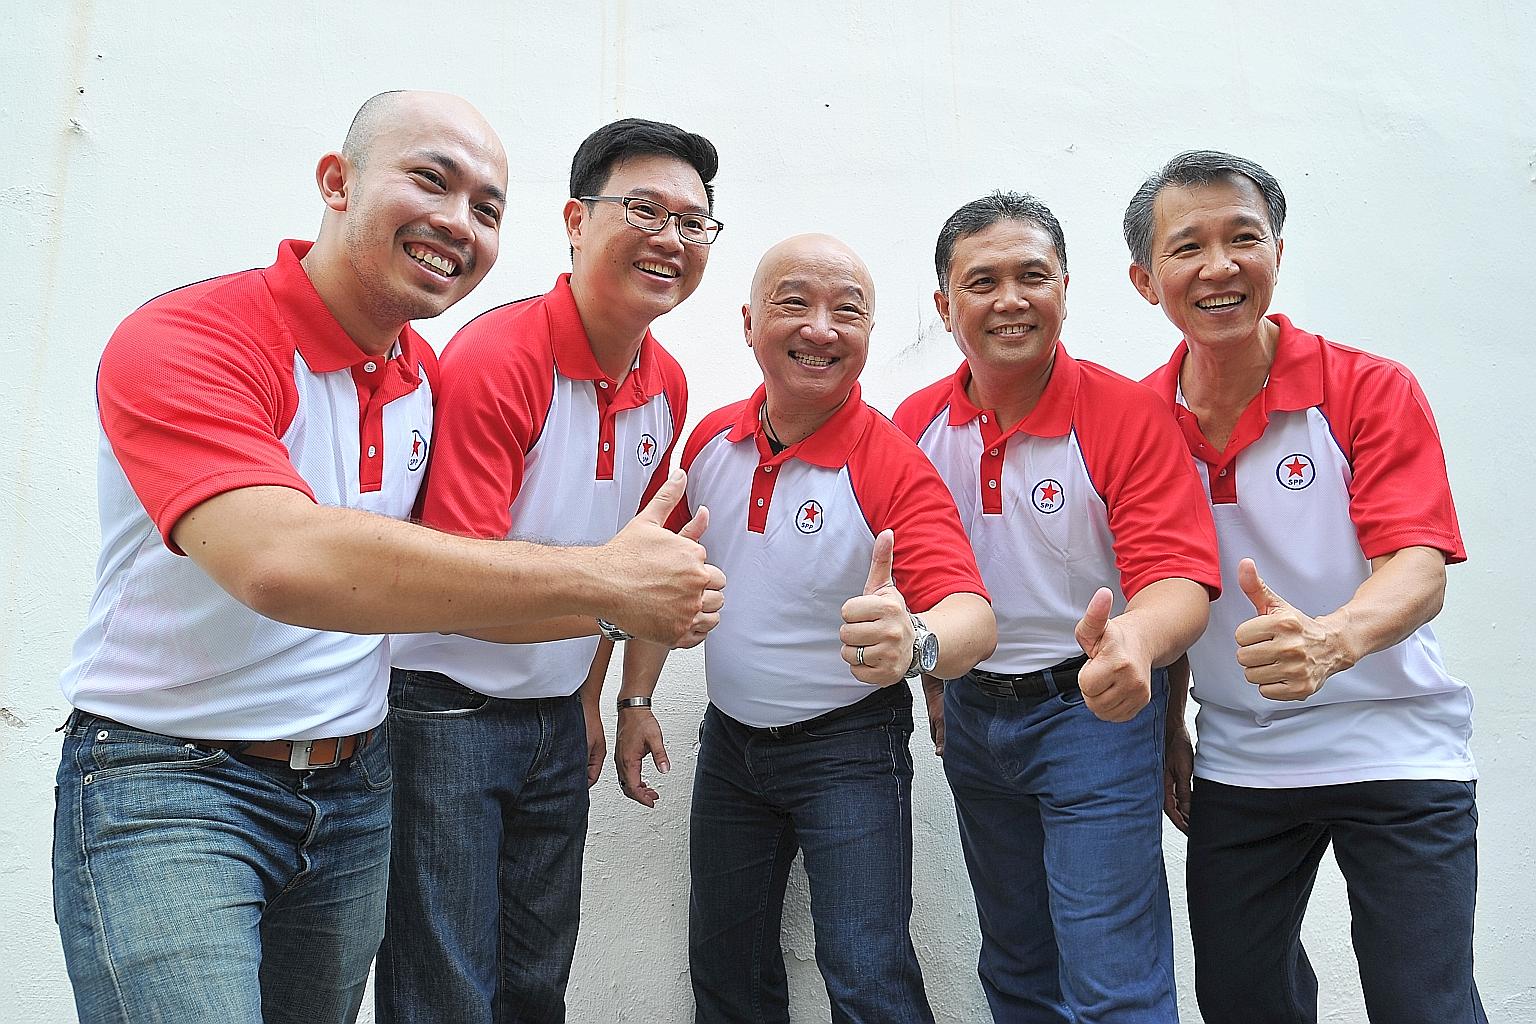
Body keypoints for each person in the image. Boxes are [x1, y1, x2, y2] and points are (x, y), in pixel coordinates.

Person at [52, 91, 722, 1024]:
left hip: (353, 778)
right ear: (336, 181)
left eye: (487, 208)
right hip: (172, 780)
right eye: (430, 180)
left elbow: (482, 564)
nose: (458, 222)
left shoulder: (419, 379)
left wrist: (601, 674)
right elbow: (281, 561)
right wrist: (610, 589)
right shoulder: (197, 337)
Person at [1125, 149, 1484, 1024]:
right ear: (1146, 280)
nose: (1220, 267)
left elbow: (1419, 565)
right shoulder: (1137, 421)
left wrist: (1335, 640)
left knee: (1422, 1004)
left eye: (1243, 237)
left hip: (1398, 745)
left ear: (1277, 253)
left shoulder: (1367, 389)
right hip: (1245, 761)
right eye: (1188, 247)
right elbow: (1159, 585)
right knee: (1243, 1001)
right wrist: (1171, 727)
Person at [378, 118, 723, 1024]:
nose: (670, 239)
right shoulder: (501, 357)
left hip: (548, 715)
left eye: (694, 224)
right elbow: (459, 584)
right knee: (444, 988)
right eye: (643, 209)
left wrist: (593, 692)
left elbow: (630, 567)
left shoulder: (668, 379)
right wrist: (610, 602)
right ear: (575, 220)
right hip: (443, 709)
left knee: (536, 983)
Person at [615, 234, 996, 1023]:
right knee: (727, 965)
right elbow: (662, 574)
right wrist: (635, 698)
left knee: (866, 973)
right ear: (750, 322)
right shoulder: (712, 441)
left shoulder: (888, 461)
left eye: (846, 311)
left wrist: (915, 644)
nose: (821, 328)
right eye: (795, 303)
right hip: (731, 746)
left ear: (868, 334)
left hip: (848, 748)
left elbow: (974, 618)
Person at [893, 192, 1220, 1023]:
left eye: (1032, 276)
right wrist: (936, 678)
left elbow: (1178, 578)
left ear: (1065, 289)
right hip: (973, 716)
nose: (1010, 299)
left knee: (1111, 976)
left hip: (1093, 714)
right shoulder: (917, 423)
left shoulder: (1126, 414)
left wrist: (1135, 643)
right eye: (984, 280)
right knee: (1015, 962)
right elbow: (917, 574)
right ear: (945, 304)